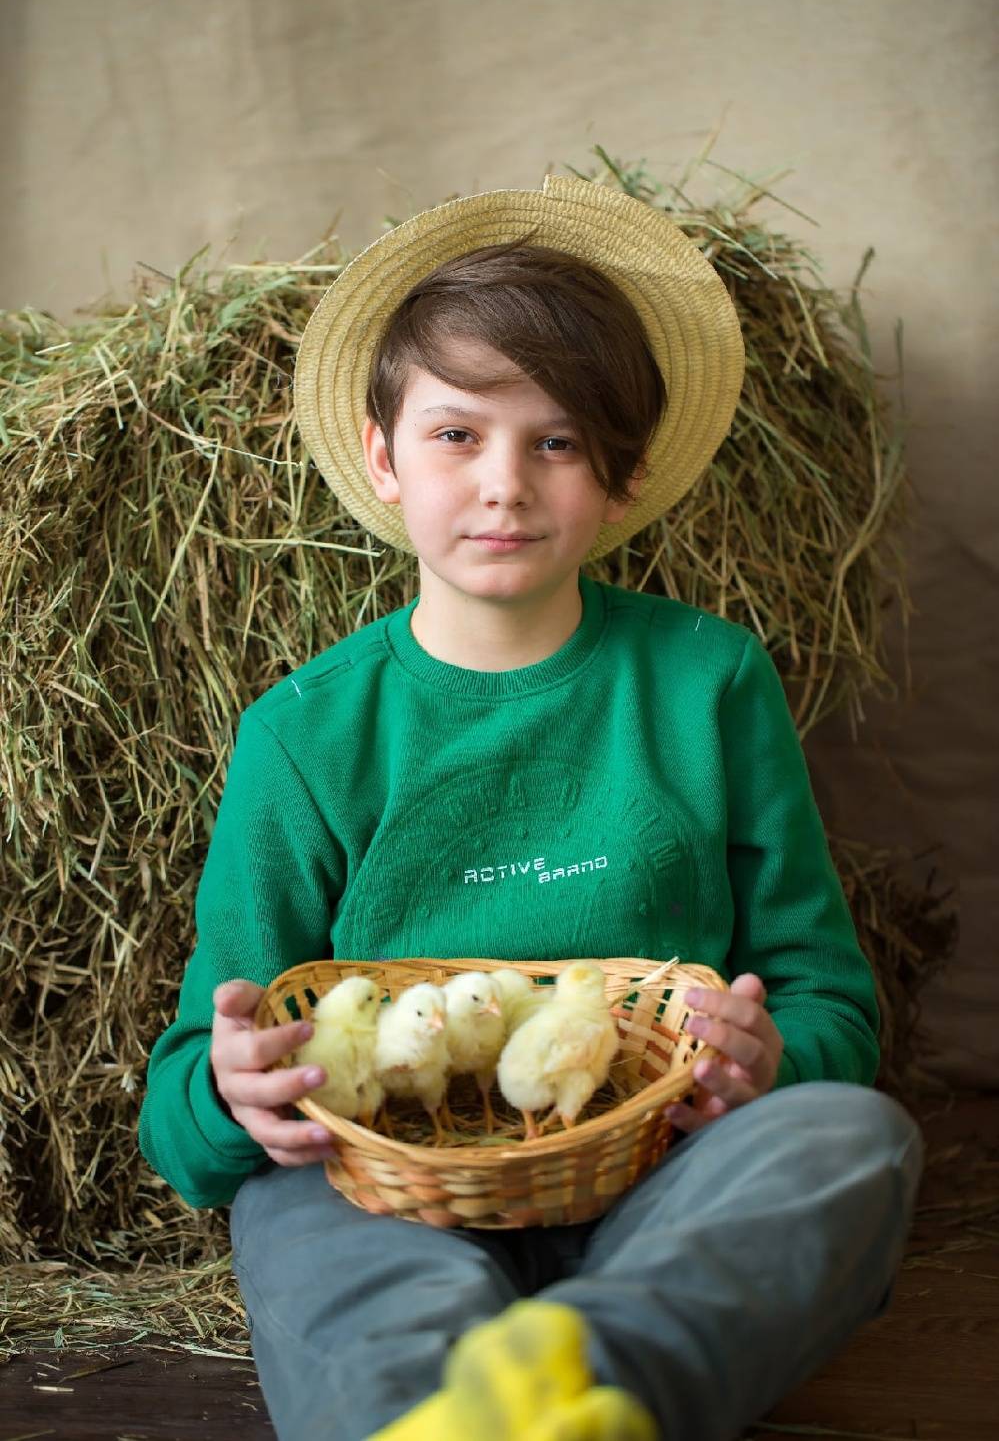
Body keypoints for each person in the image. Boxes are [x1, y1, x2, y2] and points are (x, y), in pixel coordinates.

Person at [138, 175, 923, 1441]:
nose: (504, 484)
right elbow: (182, 1105)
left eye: (554, 442)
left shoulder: (708, 682)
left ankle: (564, 1378)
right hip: (389, 1196)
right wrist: (232, 1095)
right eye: (457, 434)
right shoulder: (305, 734)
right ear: (384, 459)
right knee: (304, 1232)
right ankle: (515, 1402)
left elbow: (829, 1000)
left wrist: (774, 1058)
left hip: (661, 1177)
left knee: (854, 1142)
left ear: (622, 477)